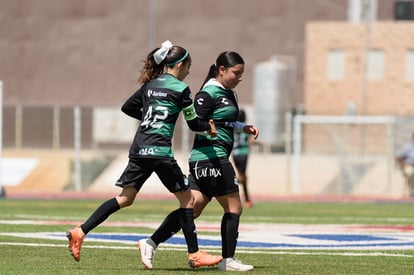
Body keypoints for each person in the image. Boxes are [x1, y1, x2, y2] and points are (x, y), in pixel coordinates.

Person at [66, 40, 222, 269]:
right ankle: (195, 254)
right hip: (159, 151)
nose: (189, 71)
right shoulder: (181, 89)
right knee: (188, 200)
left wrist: (150, 117)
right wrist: (208, 127)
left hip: (139, 149)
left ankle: (80, 231)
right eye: (188, 66)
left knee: (125, 198)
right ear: (179, 65)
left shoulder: (150, 86)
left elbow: (127, 107)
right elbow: (193, 123)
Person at [137, 51, 260, 272]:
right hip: (211, 158)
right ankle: (227, 260)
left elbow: (225, 122)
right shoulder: (208, 92)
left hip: (208, 159)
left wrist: (244, 128)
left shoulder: (228, 93)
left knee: (192, 208)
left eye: (242, 73)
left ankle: (150, 243)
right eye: (236, 73)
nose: (240, 77)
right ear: (222, 70)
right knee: (234, 206)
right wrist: (208, 132)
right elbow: (196, 124)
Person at [231, 109, 263, 208]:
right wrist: (260, 143)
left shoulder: (233, 127)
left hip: (234, 154)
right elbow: (250, 141)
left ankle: (247, 200)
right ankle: (230, 185)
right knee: (242, 177)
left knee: (243, 176)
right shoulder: (244, 127)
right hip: (243, 154)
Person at [395, 131, 414, 196]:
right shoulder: (409, 147)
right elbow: (397, 157)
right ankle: (412, 190)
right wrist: (404, 165)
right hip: (409, 166)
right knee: (411, 171)